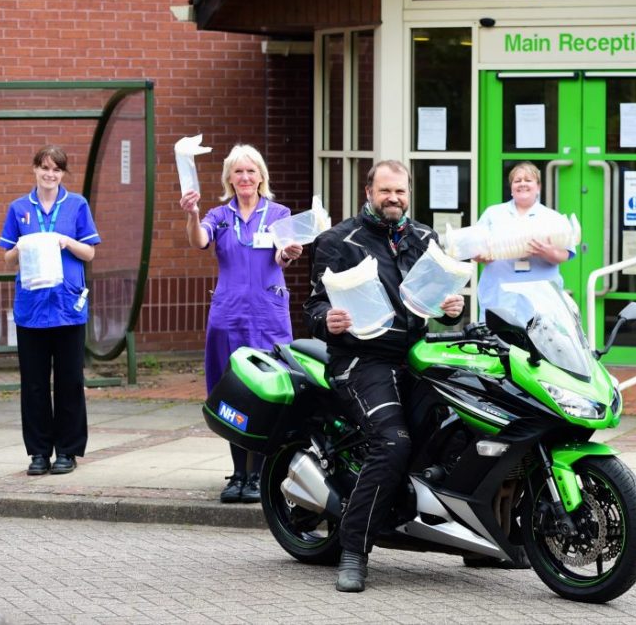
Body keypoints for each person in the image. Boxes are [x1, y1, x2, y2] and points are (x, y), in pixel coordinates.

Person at [305, 160, 464, 593]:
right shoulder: (339, 240)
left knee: (460, 429)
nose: (393, 199)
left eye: (400, 192)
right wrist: (328, 320)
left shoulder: (425, 238)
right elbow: (314, 307)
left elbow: (437, 300)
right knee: (394, 442)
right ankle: (354, 550)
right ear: (369, 191)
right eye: (385, 191)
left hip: (416, 356)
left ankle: (480, 540)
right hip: (360, 360)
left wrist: (454, 310)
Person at [179, 144, 302, 504]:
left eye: (251, 171)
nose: (245, 178)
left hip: (268, 315)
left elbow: (283, 251)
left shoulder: (278, 212)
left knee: (268, 390)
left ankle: (261, 475)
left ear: (261, 176)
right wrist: (192, 214)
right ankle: (238, 473)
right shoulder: (219, 215)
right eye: (238, 172)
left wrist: (287, 254)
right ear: (229, 179)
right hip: (228, 316)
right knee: (233, 391)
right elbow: (199, 240)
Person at [0, 146, 101, 476]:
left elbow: (89, 254)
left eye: (56, 170)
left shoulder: (77, 206)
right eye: (44, 168)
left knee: (69, 381)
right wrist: (21, 247)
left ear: (62, 174)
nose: (50, 175)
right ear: (34, 170)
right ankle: (39, 453)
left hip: (68, 307)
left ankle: (68, 452)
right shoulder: (18, 208)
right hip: (31, 309)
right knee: (34, 384)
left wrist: (64, 241)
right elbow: (7, 259)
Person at [474, 162, 574, 317]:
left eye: (528, 180)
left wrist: (547, 252)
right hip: (500, 294)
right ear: (511, 188)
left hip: (541, 297)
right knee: (498, 338)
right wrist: (483, 256)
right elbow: (476, 249)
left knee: (538, 337)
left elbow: (565, 255)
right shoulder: (493, 214)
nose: (522, 184)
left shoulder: (553, 218)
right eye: (517, 180)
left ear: (538, 187)